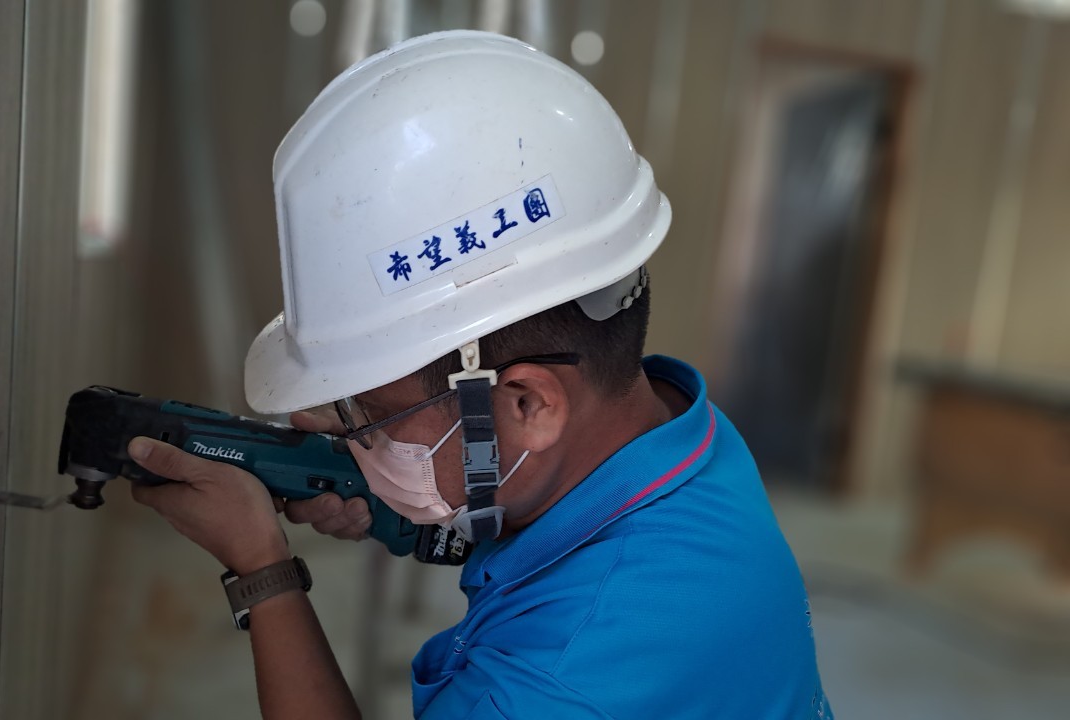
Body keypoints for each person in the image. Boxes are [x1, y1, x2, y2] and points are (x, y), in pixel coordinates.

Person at [127, 30, 832, 719]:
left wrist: (264, 569)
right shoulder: (681, 438)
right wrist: (400, 515)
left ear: (528, 404)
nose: (355, 438)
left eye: (373, 416)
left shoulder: (557, 683)